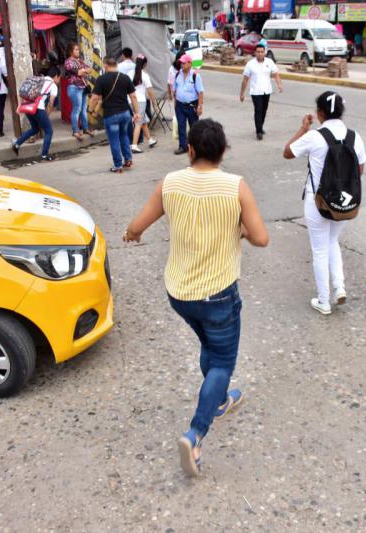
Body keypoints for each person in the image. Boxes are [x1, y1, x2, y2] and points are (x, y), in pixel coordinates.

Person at [122, 119, 268, 477]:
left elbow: (137, 225)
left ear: (190, 150)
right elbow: (261, 238)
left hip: (179, 292)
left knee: (209, 342)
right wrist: (242, 232)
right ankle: (196, 433)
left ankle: (218, 397)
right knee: (221, 361)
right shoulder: (235, 187)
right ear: (223, 152)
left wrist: (131, 235)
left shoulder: (170, 182)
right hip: (218, 293)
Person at [283, 91, 366, 315]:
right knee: (333, 242)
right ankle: (339, 287)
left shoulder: (315, 137)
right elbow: (360, 170)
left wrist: (303, 128)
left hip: (318, 201)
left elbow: (287, 152)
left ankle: (323, 300)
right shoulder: (354, 136)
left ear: (320, 113)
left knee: (320, 250)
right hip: (345, 201)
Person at [90, 57, 141, 173]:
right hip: (125, 114)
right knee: (124, 136)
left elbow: (94, 98)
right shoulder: (125, 78)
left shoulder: (101, 79)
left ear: (105, 65)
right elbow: (133, 96)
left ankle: (118, 165)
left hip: (111, 115)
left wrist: (91, 110)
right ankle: (128, 160)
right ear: (116, 65)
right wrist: (137, 113)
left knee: (114, 140)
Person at [11, 67, 61, 162]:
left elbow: (24, 92)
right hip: (38, 108)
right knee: (49, 131)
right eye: (59, 78)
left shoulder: (39, 79)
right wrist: (47, 114)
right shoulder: (53, 85)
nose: (59, 80)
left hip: (28, 107)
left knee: (35, 129)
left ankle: (17, 144)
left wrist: (20, 106)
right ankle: (44, 156)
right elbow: (51, 103)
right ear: (56, 76)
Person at [240, 44, 282, 141]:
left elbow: (276, 74)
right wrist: (241, 94)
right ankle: (258, 131)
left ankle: (260, 126)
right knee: (258, 110)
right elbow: (245, 79)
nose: (260, 54)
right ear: (255, 53)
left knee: (264, 110)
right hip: (255, 91)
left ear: (264, 52)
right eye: (258, 52)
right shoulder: (250, 64)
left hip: (266, 91)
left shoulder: (269, 62)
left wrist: (279, 84)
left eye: (261, 52)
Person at [172, 54, 204, 155]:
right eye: (181, 63)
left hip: (192, 106)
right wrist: (175, 104)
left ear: (190, 63)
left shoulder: (195, 76)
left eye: (184, 63)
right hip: (180, 105)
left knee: (194, 127)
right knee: (181, 126)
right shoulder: (177, 75)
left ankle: (195, 146)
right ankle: (183, 146)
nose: (182, 65)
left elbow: (200, 93)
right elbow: (174, 91)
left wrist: (199, 107)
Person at [64, 42, 93, 141]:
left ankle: (85, 128)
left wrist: (83, 70)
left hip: (83, 87)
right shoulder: (68, 62)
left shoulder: (80, 61)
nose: (78, 51)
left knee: (83, 109)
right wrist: (83, 70)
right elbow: (79, 72)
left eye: (78, 49)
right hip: (74, 87)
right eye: (76, 49)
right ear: (70, 51)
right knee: (77, 109)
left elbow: (90, 69)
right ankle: (75, 130)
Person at [130, 55, 159, 153]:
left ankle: (150, 140)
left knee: (143, 121)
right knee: (139, 122)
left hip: (130, 101)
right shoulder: (145, 75)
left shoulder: (129, 74)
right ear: (145, 64)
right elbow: (150, 91)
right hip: (140, 101)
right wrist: (155, 105)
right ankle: (134, 145)